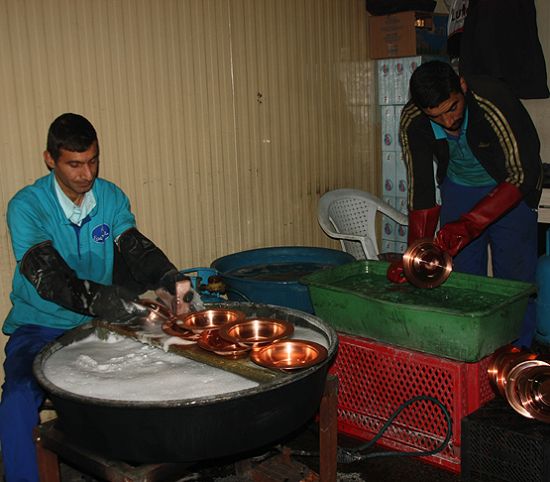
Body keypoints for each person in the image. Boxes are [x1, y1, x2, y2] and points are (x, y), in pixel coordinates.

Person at [0, 113, 189, 481]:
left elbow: (134, 248)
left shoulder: (111, 196)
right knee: (18, 396)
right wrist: (122, 306)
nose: (86, 175)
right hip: (39, 326)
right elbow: (53, 280)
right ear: (50, 159)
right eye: (74, 164)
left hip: (95, 326)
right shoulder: (26, 206)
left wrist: (171, 279)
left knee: (156, 374)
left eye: (92, 161)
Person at [387, 60, 542, 348]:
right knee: (461, 277)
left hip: (509, 186)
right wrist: (415, 259)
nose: (448, 121)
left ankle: (518, 353)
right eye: (436, 117)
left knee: (515, 280)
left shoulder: (493, 99)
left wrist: (472, 223)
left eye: (452, 109)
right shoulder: (414, 118)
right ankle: (473, 348)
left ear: (462, 86)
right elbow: (421, 189)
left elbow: (524, 171)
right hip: (458, 188)